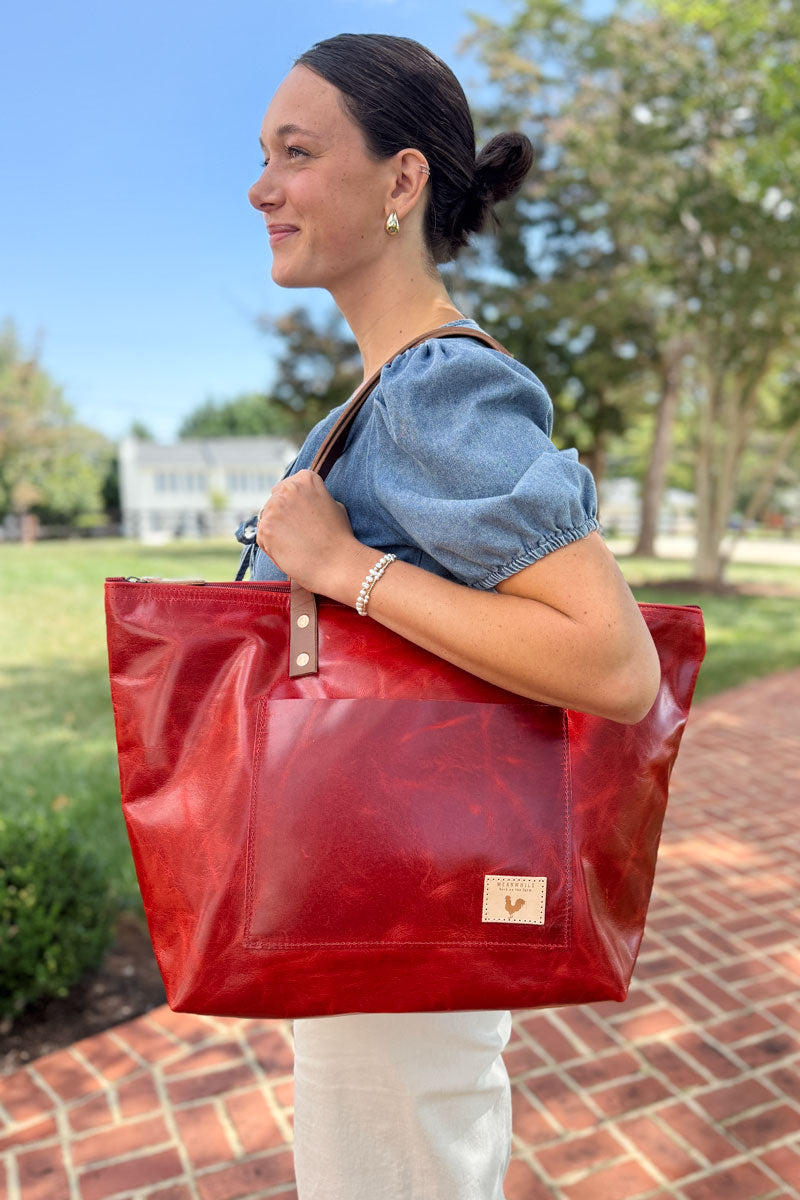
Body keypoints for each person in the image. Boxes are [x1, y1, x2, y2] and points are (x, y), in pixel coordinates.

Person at [242, 32, 660, 1200]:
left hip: (396, 912)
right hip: (378, 889)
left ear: (401, 179)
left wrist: (342, 569)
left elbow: (613, 664)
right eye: (262, 155)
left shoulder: (437, 385)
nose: (260, 186)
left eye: (297, 151)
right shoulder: (385, 389)